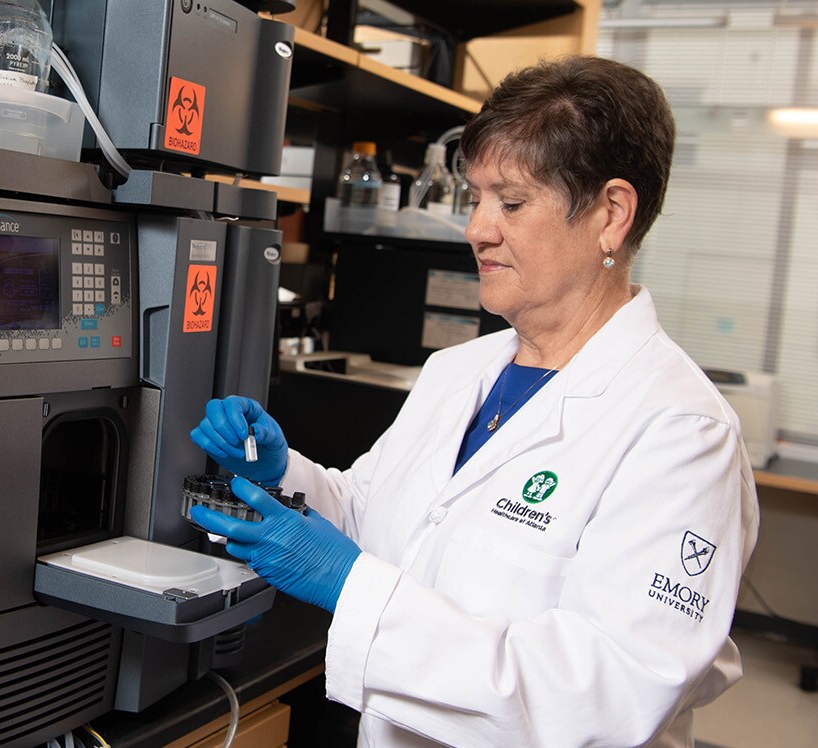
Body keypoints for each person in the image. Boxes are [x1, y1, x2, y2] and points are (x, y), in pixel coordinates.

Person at [190, 56, 758, 747]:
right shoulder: (458, 371)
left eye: (511, 203)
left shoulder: (680, 432)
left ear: (611, 215)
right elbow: (380, 517)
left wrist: (348, 586)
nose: (477, 228)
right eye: (476, 198)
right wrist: (284, 478)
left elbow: (608, 698)